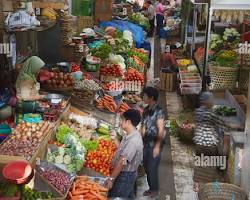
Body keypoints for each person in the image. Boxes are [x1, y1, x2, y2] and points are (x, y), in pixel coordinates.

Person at [105, 109, 143, 198]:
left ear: (128, 122)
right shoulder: (129, 134)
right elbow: (123, 151)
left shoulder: (133, 141)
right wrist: (115, 139)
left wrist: (111, 179)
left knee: (117, 196)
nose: (120, 122)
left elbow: (123, 162)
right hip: (126, 174)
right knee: (127, 195)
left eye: (122, 120)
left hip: (125, 176)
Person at [141, 87, 166, 198]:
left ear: (151, 98)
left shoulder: (159, 111)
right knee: (146, 166)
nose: (143, 97)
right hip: (146, 142)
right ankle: (151, 188)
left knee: (152, 167)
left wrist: (157, 147)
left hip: (155, 143)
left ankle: (155, 190)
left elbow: (161, 130)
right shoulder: (146, 110)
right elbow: (142, 127)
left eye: (145, 96)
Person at [15, 56, 50, 121]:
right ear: (33, 67)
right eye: (38, 68)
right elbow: (25, 97)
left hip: (29, 105)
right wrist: (41, 97)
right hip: (25, 106)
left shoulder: (31, 75)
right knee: (24, 125)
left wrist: (41, 94)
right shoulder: (26, 79)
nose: (39, 70)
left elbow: (31, 90)